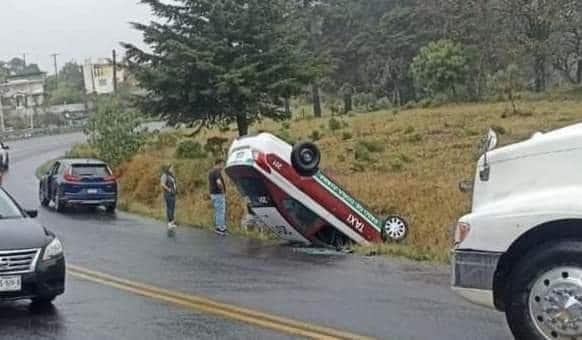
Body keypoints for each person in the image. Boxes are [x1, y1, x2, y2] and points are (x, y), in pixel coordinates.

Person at [208, 159, 227, 235]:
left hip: (213, 194)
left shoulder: (211, 172)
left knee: (217, 211)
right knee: (221, 211)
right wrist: (222, 191)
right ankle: (221, 228)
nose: (223, 166)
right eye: (222, 164)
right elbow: (218, 182)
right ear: (219, 164)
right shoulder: (217, 172)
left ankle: (218, 227)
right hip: (218, 194)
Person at [160, 164, 177, 235]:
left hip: (173, 193)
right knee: (169, 208)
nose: (172, 169)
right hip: (168, 194)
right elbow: (162, 184)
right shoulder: (164, 175)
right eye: (171, 168)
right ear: (168, 169)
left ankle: (172, 221)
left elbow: (174, 184)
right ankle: (169, 222)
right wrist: (169, 189)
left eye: (173, 168)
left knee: (172, 207)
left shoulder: (171, 175)